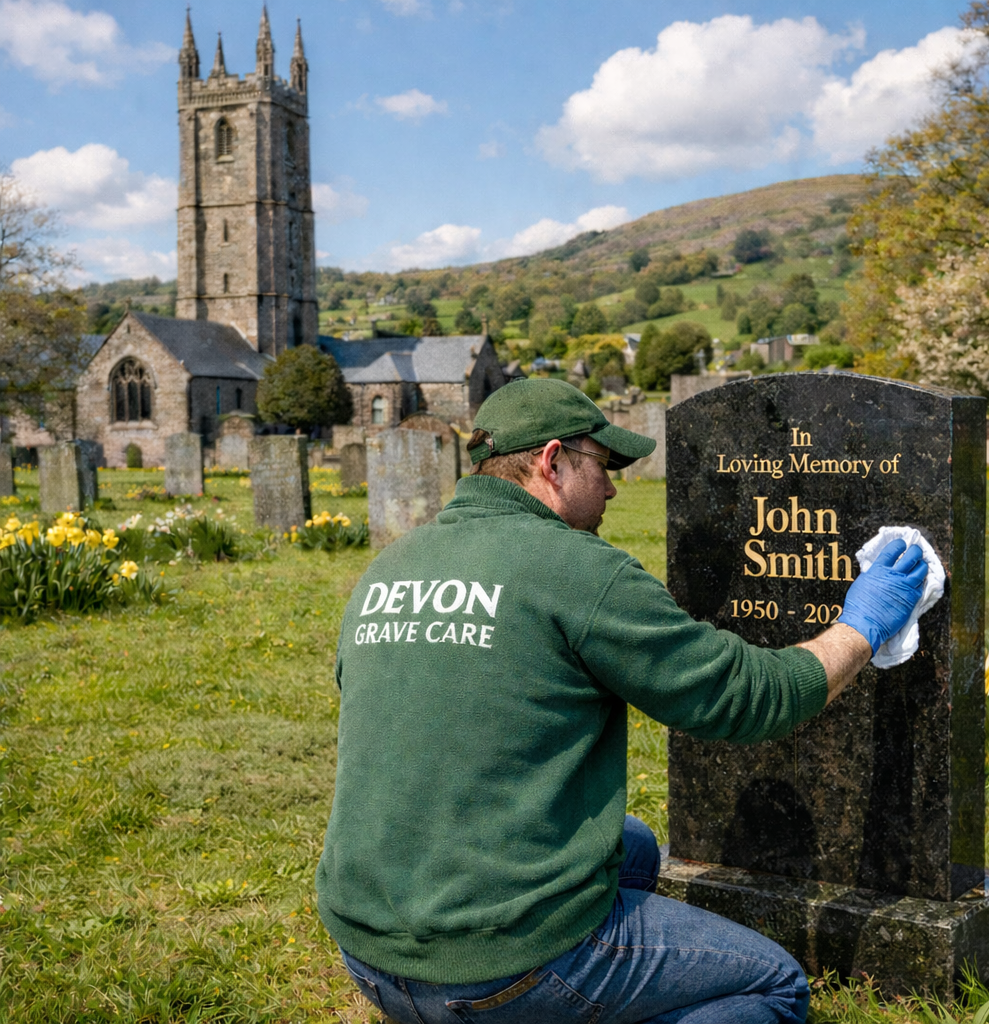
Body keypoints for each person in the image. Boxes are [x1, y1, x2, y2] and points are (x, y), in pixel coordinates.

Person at [316, 378, 927, 1024]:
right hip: (502, 964)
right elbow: (748, 697)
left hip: (368, 949)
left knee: (631, 849)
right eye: (602, 466)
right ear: (552, 462)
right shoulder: (577, 569)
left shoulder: (392, 564)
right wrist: (861, 627)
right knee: (776, 989)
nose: (611, 488)